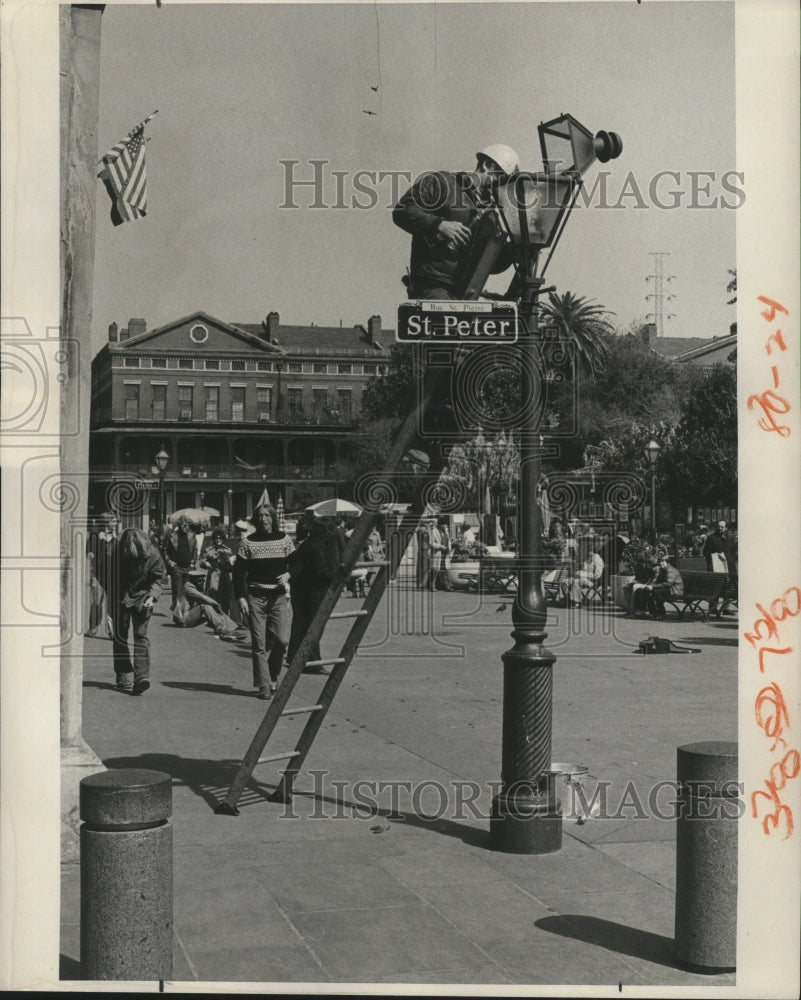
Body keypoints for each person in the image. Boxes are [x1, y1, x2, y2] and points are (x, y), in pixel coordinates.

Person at [393, 145, 520, 299]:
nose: (502, 185)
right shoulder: (444, 183)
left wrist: (515, 250)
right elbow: (403, 210)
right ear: (487, 165)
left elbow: (489, 265)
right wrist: (439, 225)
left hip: (466, 294)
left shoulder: (492, 216)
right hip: (433, 286)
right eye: (502, 177)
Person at [233, 504, 294, 699]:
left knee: (282, 640)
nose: (263, 519)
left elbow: (298, 562)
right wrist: (241, 597)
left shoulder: (284, 540)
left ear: (273, 518)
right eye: (259, 516)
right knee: (258, 644)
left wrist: (288, 573)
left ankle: (272, 675)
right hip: (255, 597)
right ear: (255, 520)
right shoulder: (248, 542)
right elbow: (238, 572)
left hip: (277, 597)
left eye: (267, 515)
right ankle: (264, 684)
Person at [112, 528, 167, 695]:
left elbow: (159, 578)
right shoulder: (116, 553)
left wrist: (152, 596)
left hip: (143, 597)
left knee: (141, 635)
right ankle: (123, 672)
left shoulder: (153, 554)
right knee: (120, 635)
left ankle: (141, 677)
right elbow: (107, 575)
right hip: (120, 596)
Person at [287, 517, 339, 673]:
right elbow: (321, 571)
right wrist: (336, 574)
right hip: (314, 591)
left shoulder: (305, 545)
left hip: (299, 590)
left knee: (299, 625)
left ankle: (294, 658)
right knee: (315, 626)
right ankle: (313, 661)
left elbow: (292, 560)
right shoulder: (319, 547)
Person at [172, 569, 245, 638]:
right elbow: (204, 598)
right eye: (199, 580)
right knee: (205, 606)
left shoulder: (194, 587)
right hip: (182, 619)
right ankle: (220, 629)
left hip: (187, 616)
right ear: (193, 580)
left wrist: (215, 607)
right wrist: (216, 603)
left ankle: (230, 629)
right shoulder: (188, 587)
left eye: (203, 580)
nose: (202, 582)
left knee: (212, 608)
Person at [163, 516, 200, 610]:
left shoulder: (192, 535)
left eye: (188, 525)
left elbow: (195, 550)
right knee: (177, 593)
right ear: (179, 525)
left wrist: (193, 562)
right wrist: (169, 562)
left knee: (189, 591)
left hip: (189, 568)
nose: (186, 527)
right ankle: (178, 617)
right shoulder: (172, 535)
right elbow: (164, 550)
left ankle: (187, 615)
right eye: (184, 525)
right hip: (177, 568)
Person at [558, 539, 604, 608]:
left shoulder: (598, 560)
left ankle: (577, 603)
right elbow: (583, 570)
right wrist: (579, 573)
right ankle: (566, 601)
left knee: (576, 581)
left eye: (590, 552)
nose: (588, 553)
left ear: (593, 551)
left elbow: (597, 575)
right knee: (563, 582)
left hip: (592, 581)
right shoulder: (588, 559)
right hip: (581, 578)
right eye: (588, 551)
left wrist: (583, 574)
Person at [200, 527, 235, 615]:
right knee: (213, 596)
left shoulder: (228, 550)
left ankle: (225, 616)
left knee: (226, 597)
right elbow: (201, 562)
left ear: (223, 539)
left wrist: (230, 562)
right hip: (213, 575)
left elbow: (232, 564)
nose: (218, 540)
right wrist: (206, 563)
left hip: (225, 575)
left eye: (220, 538)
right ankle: (213, 616)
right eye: (216, 538)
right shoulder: (209, 550)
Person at [641, 551, 684, 620]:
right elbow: (658, 581)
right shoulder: (662, 569)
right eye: (660, 562)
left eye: (663, 562)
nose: (661, 563)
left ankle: (661, 613)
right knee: (647, 591)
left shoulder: (670, 570)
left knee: (657, 592)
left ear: (667, 562)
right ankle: (653, 612)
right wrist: (650, 586)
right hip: (667, 589)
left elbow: (668, 583)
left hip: (674, 589)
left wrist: (653, 586)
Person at [435, 517, 454, 591]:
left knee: (445, 569)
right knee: (439, 570)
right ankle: (443, 585)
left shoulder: (446, 532)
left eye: (446, 525)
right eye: (445, 525)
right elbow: (432, 542)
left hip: (445, 553)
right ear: (440, 525)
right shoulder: (435, 531)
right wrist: (440, 546)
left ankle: (447, 585)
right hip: (439, 552)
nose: (446, 527)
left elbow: (448, 540)